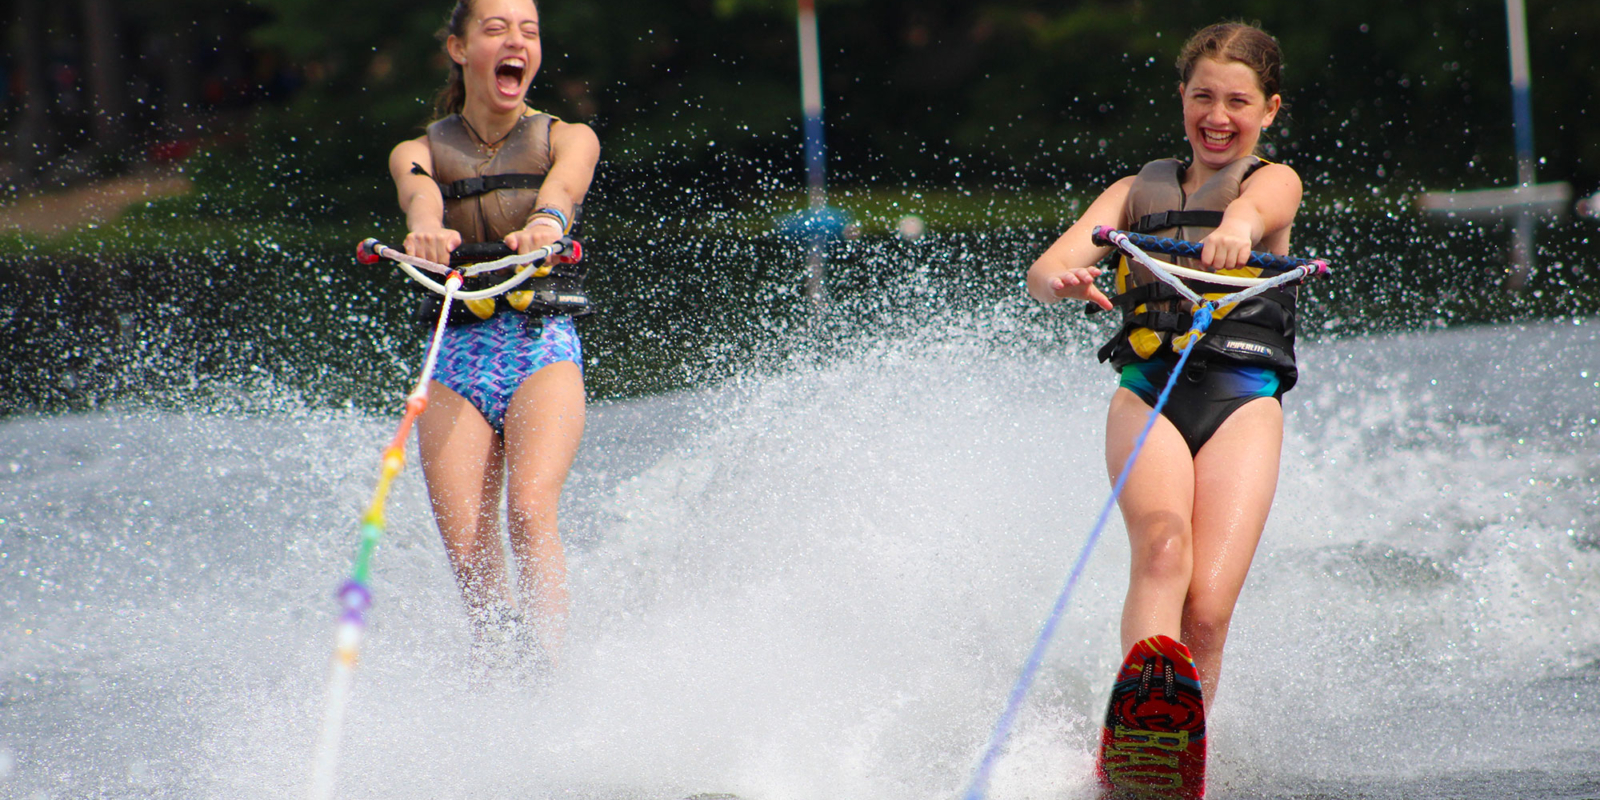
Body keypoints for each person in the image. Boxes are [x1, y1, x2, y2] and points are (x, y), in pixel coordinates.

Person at [1025, 21, 1302, 707]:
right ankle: (1143, 715)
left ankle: (1183, 746)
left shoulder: (1274, 184)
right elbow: (1047, 266)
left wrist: (1236, 232)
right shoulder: (1132, 191)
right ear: (1181, 97)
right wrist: (1062, 281)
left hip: (1243, 401)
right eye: (1202, 97)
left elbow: (1256, 209)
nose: (1216, 117)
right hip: (1148, 393)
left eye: (1238, 102)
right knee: (1163, 550)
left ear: (1268, 110)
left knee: (1206, 611)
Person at [386, 0, 600, 670]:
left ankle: (551, 675)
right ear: (458, 48)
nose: (517, 41)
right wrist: (428, 229)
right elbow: (420, 196)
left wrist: (547, 224)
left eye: (529, 30)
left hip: (541, 348)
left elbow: (563, 189)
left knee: (529, 515)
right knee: (472, 558)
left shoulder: (570, 136)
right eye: (497, 28)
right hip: (454, 361)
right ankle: (499, 685)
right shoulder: (417, 151)